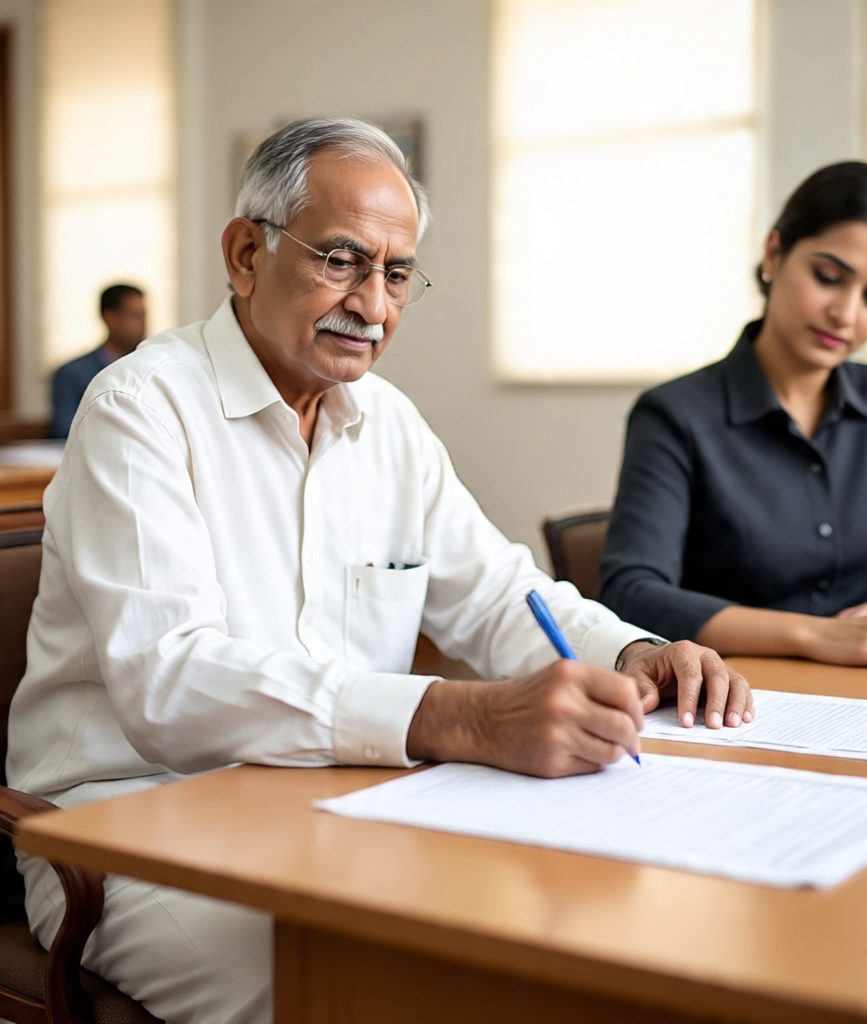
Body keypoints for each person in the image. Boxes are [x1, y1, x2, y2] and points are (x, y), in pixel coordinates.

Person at [7, 116, 753, 1024]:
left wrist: (633, 649)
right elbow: (169, 680)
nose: (373, 304)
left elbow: (498, 593)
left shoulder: (387, 422)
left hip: (336, 806)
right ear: (245, 253)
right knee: (372, 989)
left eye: (397, 274)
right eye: (341, 260)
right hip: (128, 830)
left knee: (545, 946)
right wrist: (454, 716)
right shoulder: (141, 407)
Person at [600, 160, 867, 673]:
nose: (846, 314)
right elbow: (632, 594)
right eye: (828, 277)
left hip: (863, 695)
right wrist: (820, 635)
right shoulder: (675, 414)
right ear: (774, 254)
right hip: (722, 699)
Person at [48, 283, 147, 438]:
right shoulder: (71, 373)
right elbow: (63, 430)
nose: (143, 324)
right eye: (135, 315)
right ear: (110, 317)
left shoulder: (148, 370)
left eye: (144, 315)